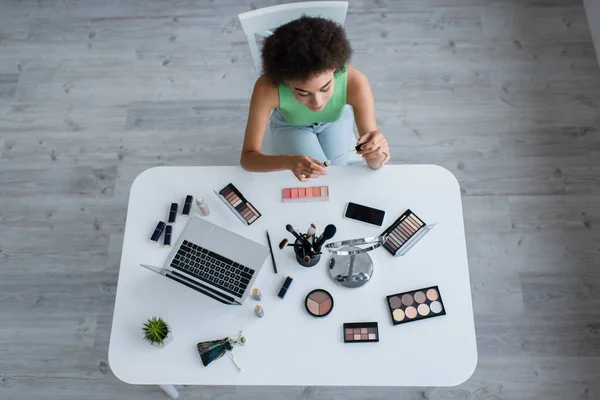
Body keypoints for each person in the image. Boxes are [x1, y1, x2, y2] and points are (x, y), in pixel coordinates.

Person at [240, 16, 390, 182]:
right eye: (303, 93)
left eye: (325, 88)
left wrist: (378, 150)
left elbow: (374, 165)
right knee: (318, 177)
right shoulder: (267, 88)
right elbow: (247, 159)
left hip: (336, 121)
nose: (318, 102)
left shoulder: (355, 82)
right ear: (285, 80)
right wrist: (288, 161)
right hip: (291, 126)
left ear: (335, 69)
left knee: (335, 174)